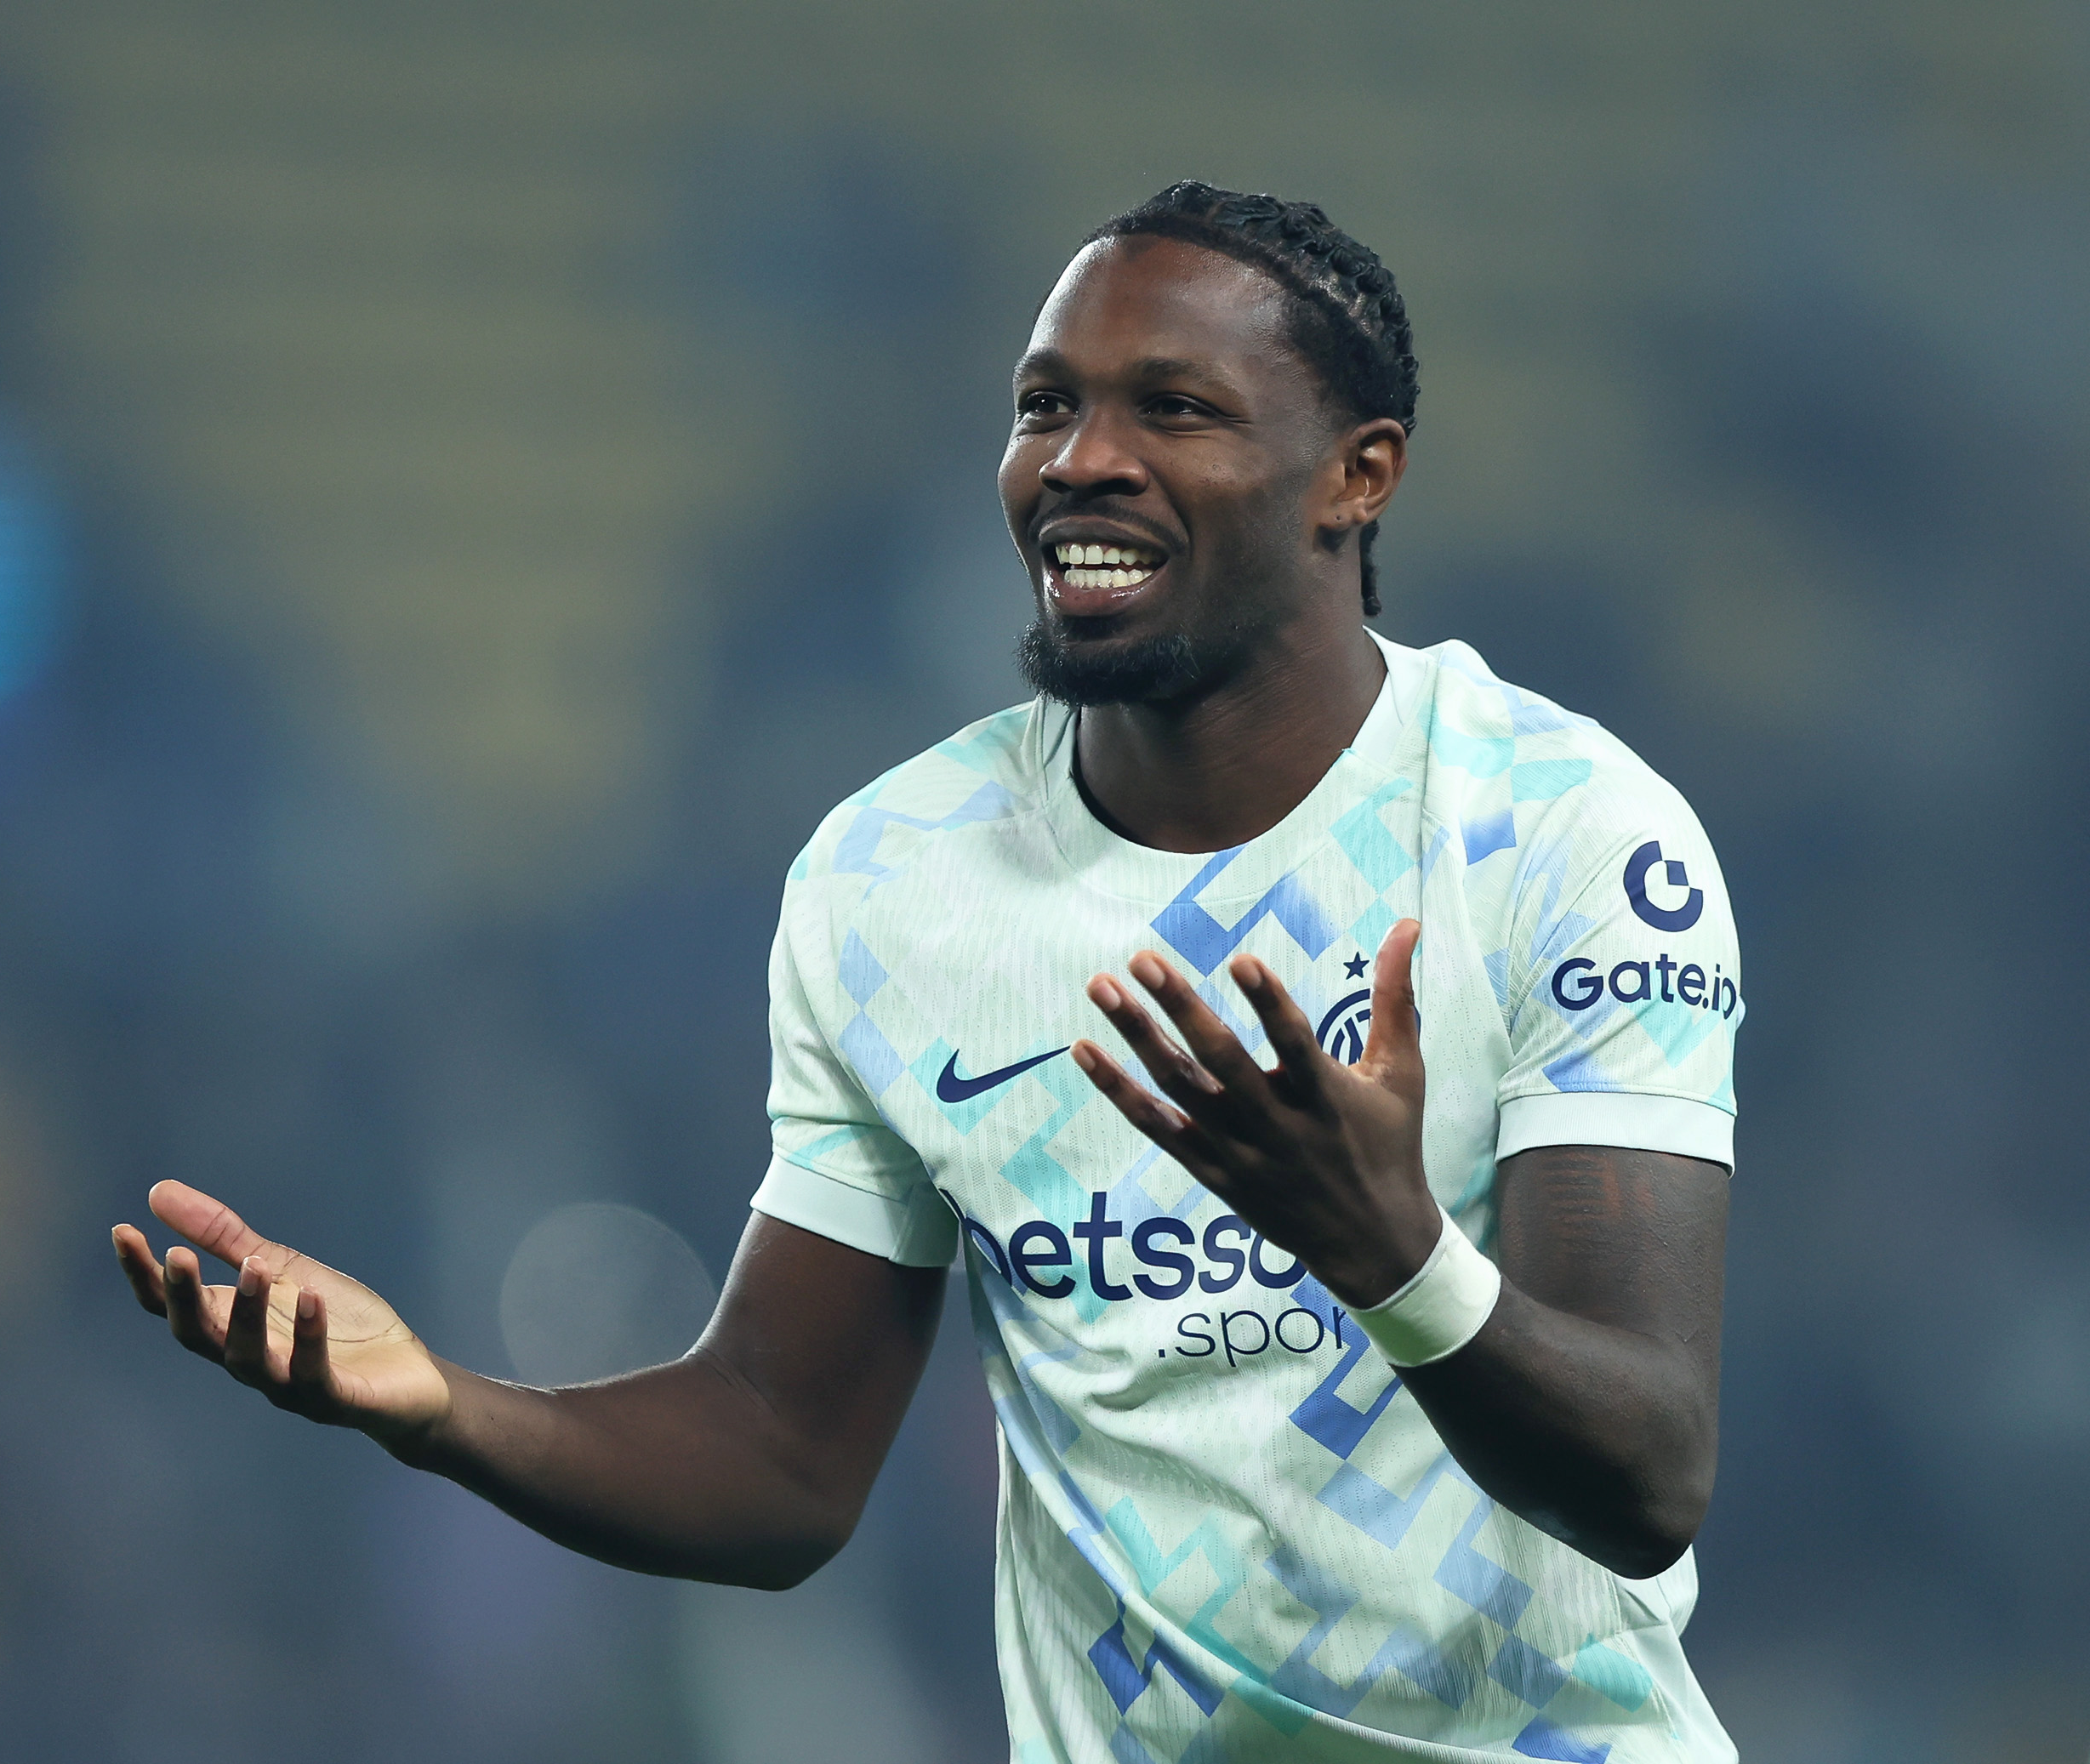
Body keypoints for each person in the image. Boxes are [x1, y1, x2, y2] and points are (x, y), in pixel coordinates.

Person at [111, 180, 1742, 1762]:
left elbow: (1646, 1472)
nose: (1082, 460)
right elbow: (780, 1453)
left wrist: (1391, 1252)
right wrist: (441, 1405)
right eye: (1047, 408)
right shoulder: (898, 876)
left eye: (1173, 409)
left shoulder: (1559, 834)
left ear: (1355, 475)